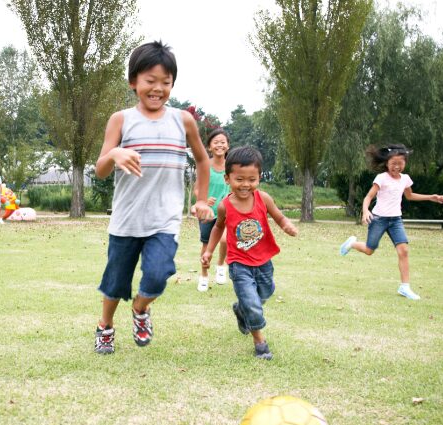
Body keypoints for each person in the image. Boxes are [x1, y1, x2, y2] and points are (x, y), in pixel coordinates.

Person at [93, 40, 214, 355]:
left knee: (159, 274)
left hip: (165, 219)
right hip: (126, 219)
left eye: (166, 82)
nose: (157, 88)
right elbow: (101, 169)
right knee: (115, 282)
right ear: (134, 82)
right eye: (150, 81)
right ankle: (105, 326)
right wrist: (116, 153)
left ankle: (140, 308)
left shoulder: (182, 121)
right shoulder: (121, 119)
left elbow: (202, 160)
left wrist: (201, 199)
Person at [201, 146, 298, 360]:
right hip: (239, 263)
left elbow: (279, 217)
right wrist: (209, 251)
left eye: (251, 179)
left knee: (265, 293)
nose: (245, 185)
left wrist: (287, 226)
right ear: (227, 178)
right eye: (239, 179)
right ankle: (260, 343)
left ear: (259, 178)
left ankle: (241, 309)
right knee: (253, 304)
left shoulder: (263, 198)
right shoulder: (225, 205)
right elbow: (218, 228)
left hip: (263, 260)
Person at [339, 144, 443, 300]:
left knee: (404, 251)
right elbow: (368, 197)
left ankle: (405, 287)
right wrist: (365, 211)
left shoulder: (405, 179)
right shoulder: (381, 178)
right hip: (379, 219)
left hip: (396, 220)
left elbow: (409, 196)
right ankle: (352, 244)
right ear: (387, 163)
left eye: (400, 163)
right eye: (393, 163)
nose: (397, 167)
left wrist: (432, 197)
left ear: (405, 163)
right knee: (370, 250)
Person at [193, 128, 231, 292]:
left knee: (224, 240)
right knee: (206, 245)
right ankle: (203, 275)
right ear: (209, 147)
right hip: (208, 212)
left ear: (228, 146)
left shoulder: (232, 166)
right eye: (216, 142)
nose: (220, 145)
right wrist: (203, 201)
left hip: (227, 211)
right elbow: (196, 189)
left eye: (223, 142)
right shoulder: (205, 165)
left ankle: (221, 265)